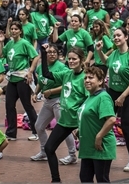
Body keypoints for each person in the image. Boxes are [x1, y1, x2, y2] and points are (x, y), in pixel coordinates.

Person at [37, 46, 89, 180]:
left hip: (79, 122)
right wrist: (43, 53)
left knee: (87, 156)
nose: (71, 61)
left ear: (81, 59)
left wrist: (80, 125)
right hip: (65, 121)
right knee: (49, 148)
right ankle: (56, 179)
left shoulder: (86, 78)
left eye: (74, 59)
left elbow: (89, 102)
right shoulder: (67, 74)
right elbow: (46, 74)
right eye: (69, 59)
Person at [97, 27, 129, 172]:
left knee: (125, 126)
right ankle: (102, 152)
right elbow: (106, 62)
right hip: (112, 93)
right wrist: (99, 51)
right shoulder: (115, 53)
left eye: (118, 35)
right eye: (114, 36)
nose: (115, 38)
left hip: (127, 95)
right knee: (105, 122)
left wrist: (123, 96)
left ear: (126, 37)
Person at [77, 66, 117, 183]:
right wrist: (80, 130)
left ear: (100, 81)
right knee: (85, 178)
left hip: (101, 147)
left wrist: (99, 137)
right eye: (85, 78)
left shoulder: (103, 97)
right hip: (88, 147)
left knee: (102, 180)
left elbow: (111, 119)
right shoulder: (90, 97)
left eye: (91, 78)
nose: (87, 80)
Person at [2, 21, 40, 141]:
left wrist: (30, 71)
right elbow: (1, 55)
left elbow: (35, 57)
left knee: (27, 105)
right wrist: (0, 41)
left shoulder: (24, 43)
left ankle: (37, 131)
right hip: (12, 78)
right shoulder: (9, 44)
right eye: (11, 29)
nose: (13, 31)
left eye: (15, 29)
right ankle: (11, 133)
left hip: (22, 78)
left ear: (20, 31)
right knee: (9, 105)